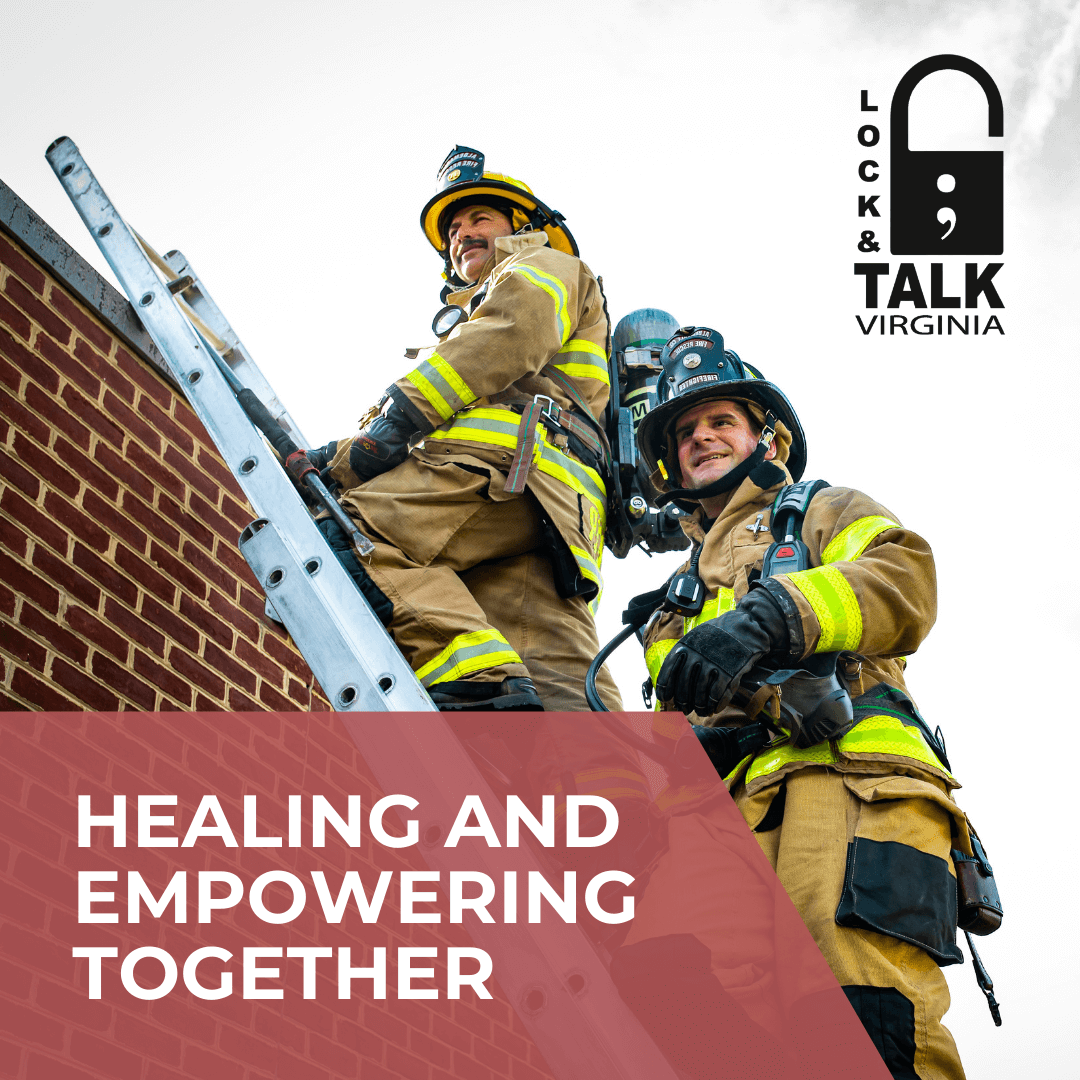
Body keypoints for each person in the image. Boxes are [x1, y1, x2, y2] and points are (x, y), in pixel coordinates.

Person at [625, 324, 971, 1078]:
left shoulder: (818, 508)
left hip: (851, 781)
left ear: (766, 440)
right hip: (721, 814)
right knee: (657, 982)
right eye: (686, 430)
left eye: (722, 421)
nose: (703, 437)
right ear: (668, 461)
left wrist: (772, 616)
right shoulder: (671, 604)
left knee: (855, 1019)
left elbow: (905, 578)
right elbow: (671, 725)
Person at [312, 146, 621, 712]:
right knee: (560, 684)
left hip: (497, 470)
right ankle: (609, 792)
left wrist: (393, 418)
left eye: (480, 218)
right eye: (453, 229)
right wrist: (337, 455)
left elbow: (509, 335)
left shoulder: (543, 267)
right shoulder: (491, 305)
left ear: (523, 228)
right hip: (554, 514)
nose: (463, 234)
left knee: (341, 539)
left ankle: (483, 693)